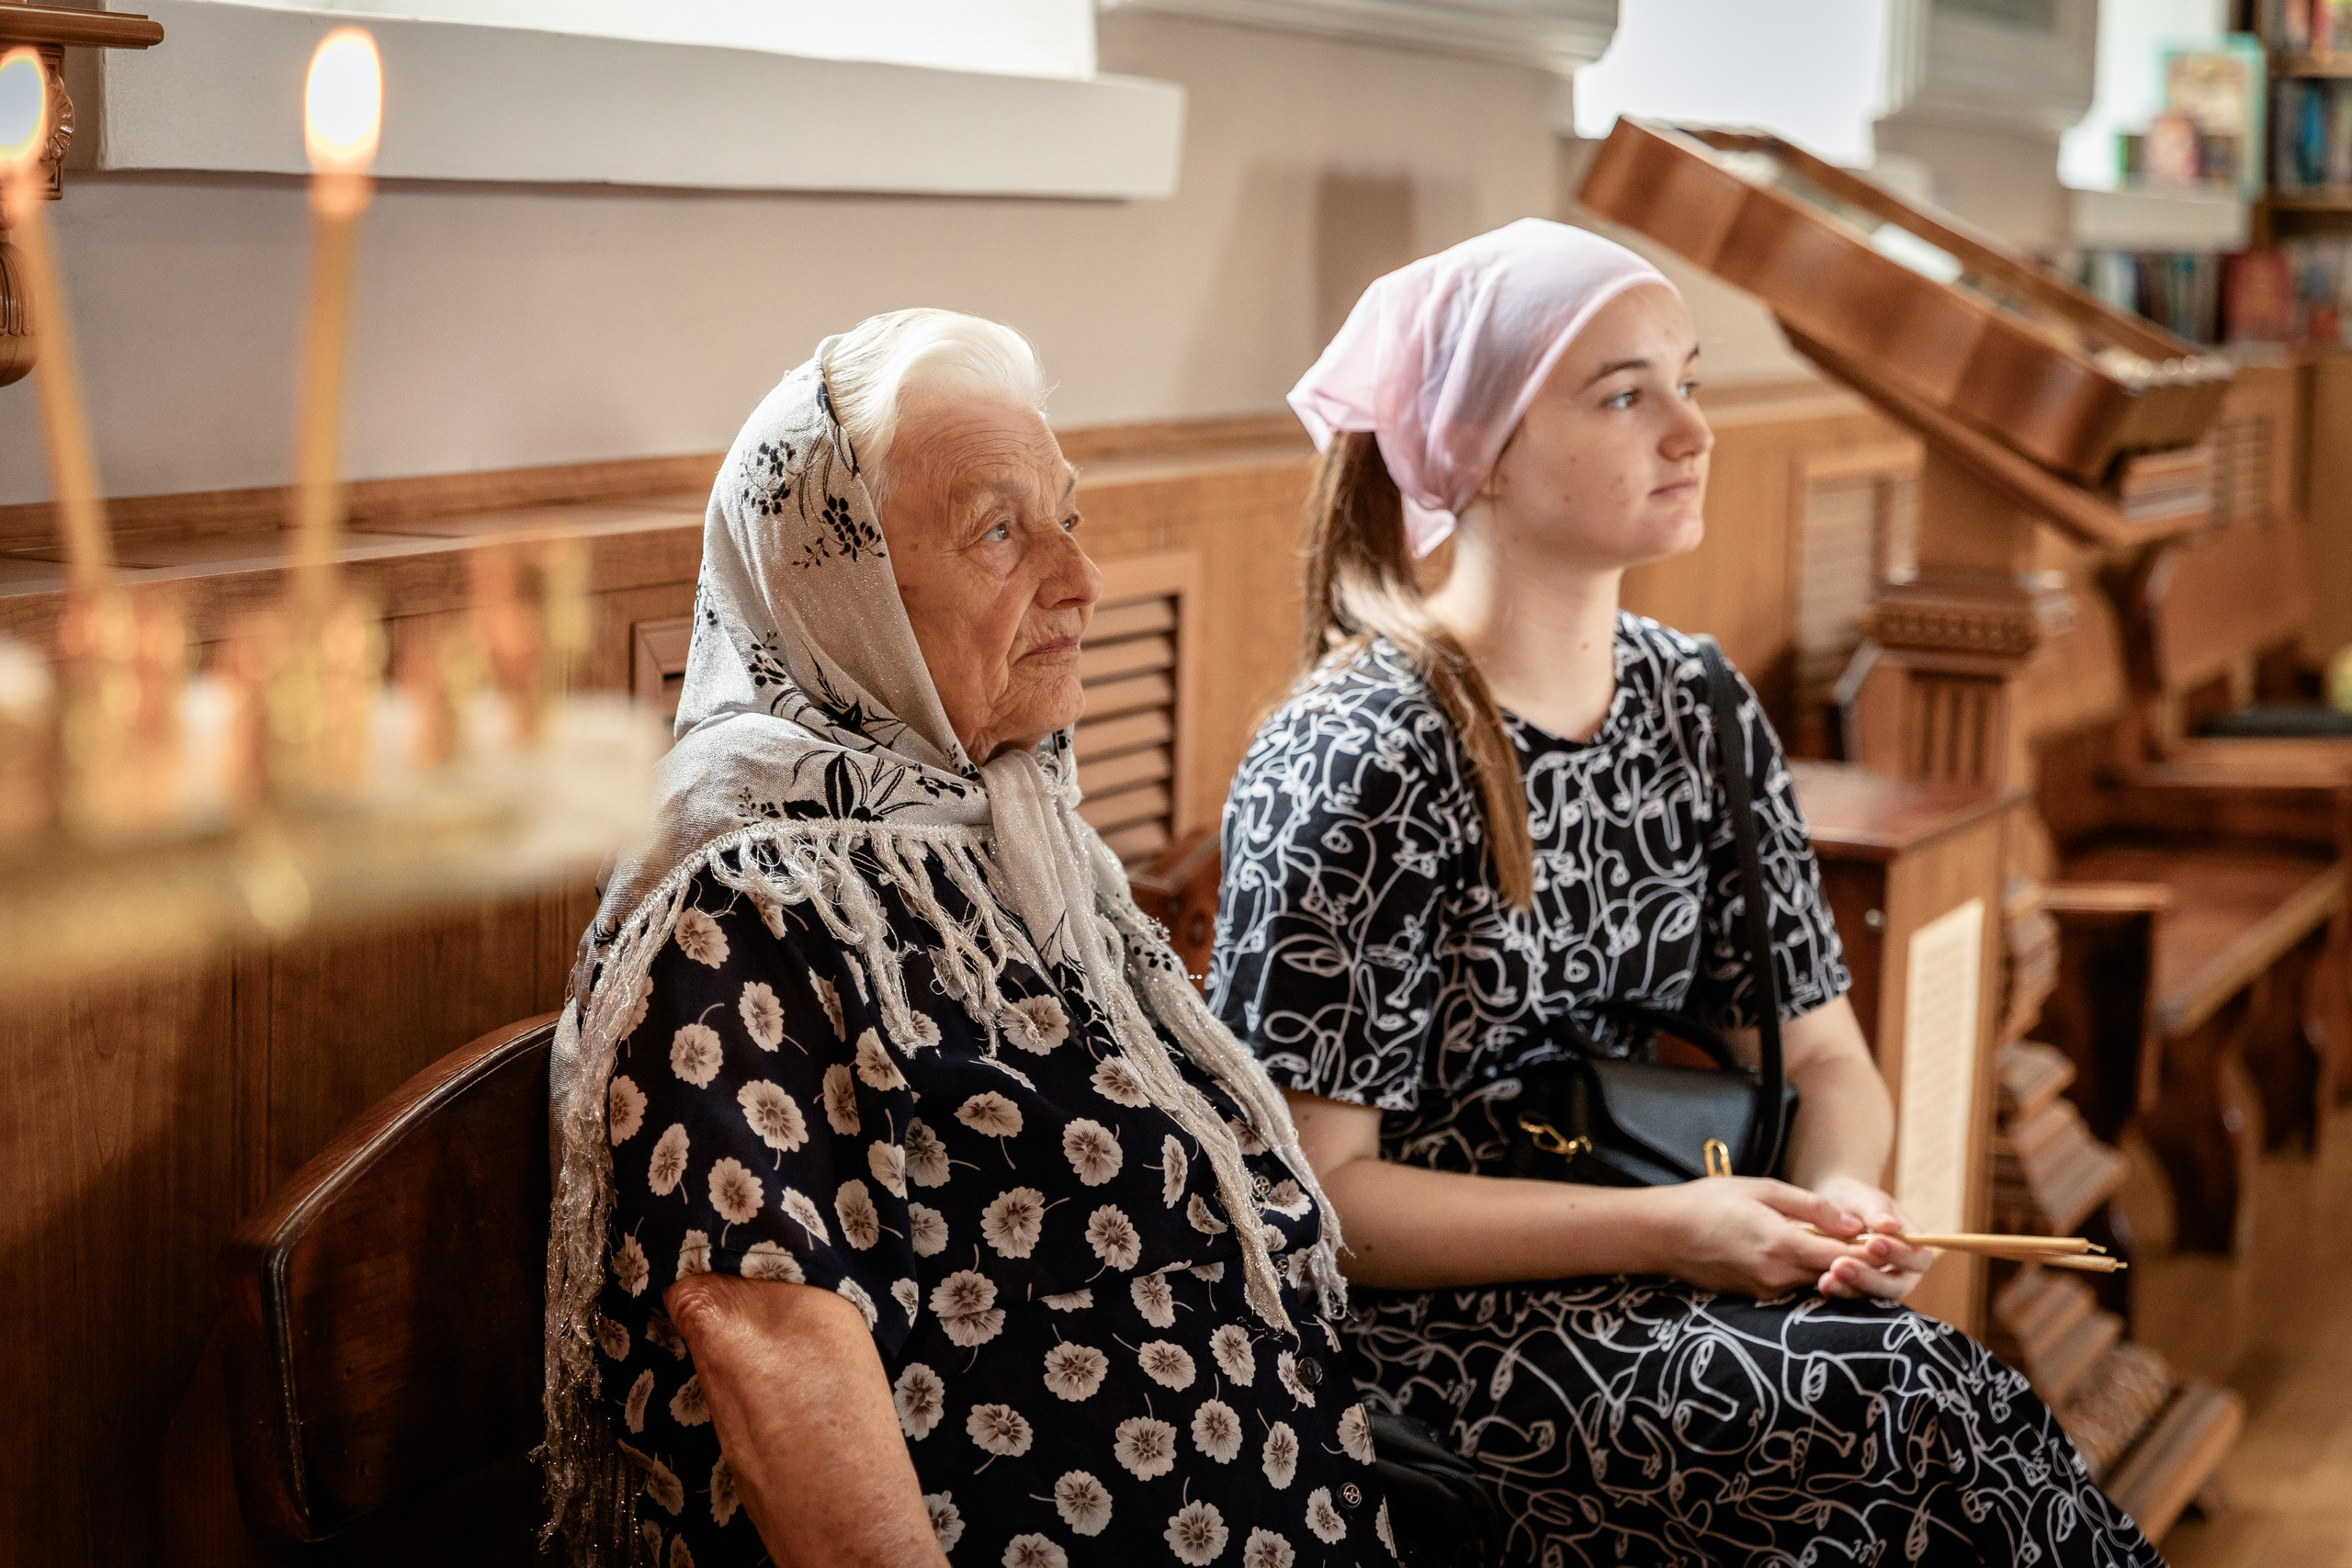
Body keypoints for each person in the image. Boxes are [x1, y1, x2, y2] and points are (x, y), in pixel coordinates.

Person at [1207, 220, 2165, 1567]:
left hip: (1661, 1260)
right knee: (1912, 1410)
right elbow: (1318, 1197)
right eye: (1623, 394)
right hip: (1429, 1350)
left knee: (1930, 1401)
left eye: (1690, 381)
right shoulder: (1366, 750)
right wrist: (1676, 1228)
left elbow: (1829, 1057)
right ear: (1476, 453)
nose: (1690, 429)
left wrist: (1844, 1209)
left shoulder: (1694, 702)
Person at [542, 310, 1394, 1568]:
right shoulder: (744, 905)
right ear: (846, 592)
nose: (1080, 579)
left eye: (1069, 519)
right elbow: (768, 1343)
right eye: (1001, 530)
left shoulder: (1007, 827)